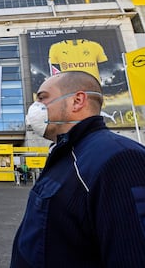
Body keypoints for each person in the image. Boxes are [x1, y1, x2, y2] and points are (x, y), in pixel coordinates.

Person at [10, 71, 145, 267]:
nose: (35, 108)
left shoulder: (121, 158)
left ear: (77, 101)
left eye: (43, 98)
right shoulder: (66, 155)